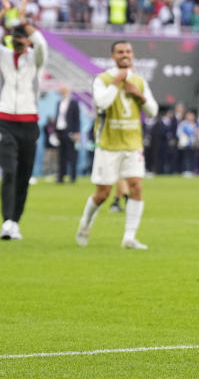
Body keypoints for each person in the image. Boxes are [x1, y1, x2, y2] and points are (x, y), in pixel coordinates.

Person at [75, 41, 159, 250]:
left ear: (133, 55)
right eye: (120, 52)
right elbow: (102, 103)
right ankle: (85, 222)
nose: (125, 55)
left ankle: (129, 238)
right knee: (103, 193)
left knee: (136, 187)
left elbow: (153, 111)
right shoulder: (102, 79)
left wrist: (137, 95)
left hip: (132, 143)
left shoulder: (139, 81)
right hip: (108, 145)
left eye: (128, 51)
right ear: (113, 56)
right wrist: (117, 81)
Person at [0, 0, 48, 240]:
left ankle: (16, 220)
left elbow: (42, 45)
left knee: (24, 175)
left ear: (27, 41)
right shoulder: (3, 56)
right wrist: (3, 12)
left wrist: (24, 20)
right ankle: (7, 221)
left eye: (21, 41)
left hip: (29, 123)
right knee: (8, 171)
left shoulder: (36, 60)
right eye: (14, 41)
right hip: (6, 121)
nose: (17, 45)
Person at [55, 84, 81, 184]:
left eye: (64, 91)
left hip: (70, 132)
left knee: (72, 155)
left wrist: (77, 132)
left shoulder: (74, 103)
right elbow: (58, 116)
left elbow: (77, 119)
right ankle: (61, 177)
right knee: (61, 156)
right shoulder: (59, 103)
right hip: (61, 131)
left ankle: (73, 177)